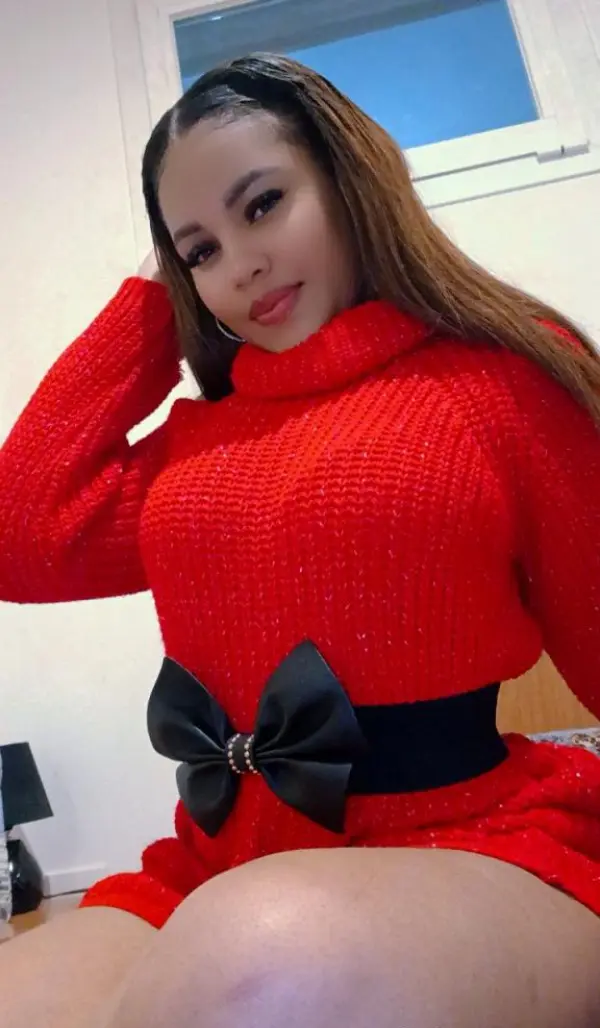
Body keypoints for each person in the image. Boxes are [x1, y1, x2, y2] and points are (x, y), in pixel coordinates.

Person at [0, 51, 599, 1028]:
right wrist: (155, 302)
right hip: (216, 862)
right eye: (200, 249)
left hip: (476, 839)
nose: (239, 263)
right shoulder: (195, 445)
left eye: (264, 204)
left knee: (260, 960)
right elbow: (20, 537)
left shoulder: (503, 381)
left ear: (350, 181)